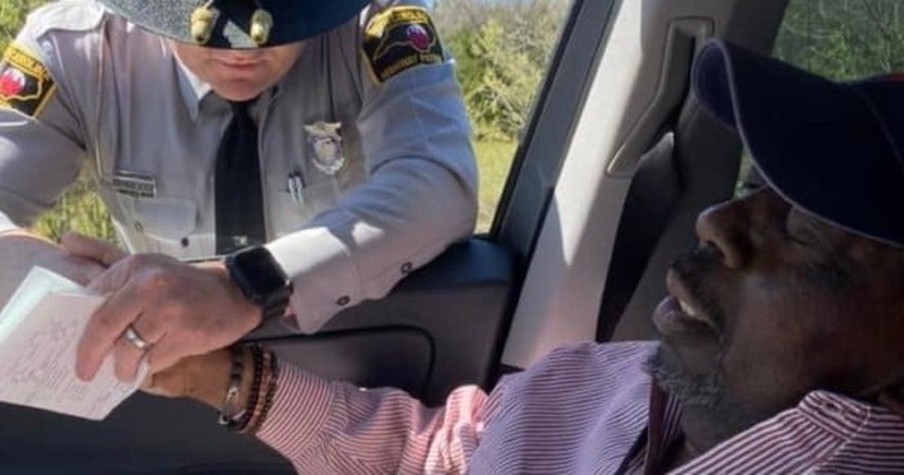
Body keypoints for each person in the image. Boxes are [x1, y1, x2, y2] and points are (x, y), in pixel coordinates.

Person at [136, 39, 904, 473]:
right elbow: (437, 452)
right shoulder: (609, 378)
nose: (716, 221)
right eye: (751, 185)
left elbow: (434, 182)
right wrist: (227, 378)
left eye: (808, 224)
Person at [0, 0, 477, 383]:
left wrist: (246, 285)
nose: (244, 49)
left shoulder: (376, 25)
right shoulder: (76, 51)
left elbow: (437, 179)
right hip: (165, 378)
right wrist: (87, 291)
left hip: (347, 381)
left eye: (282, 12)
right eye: (210, 20)